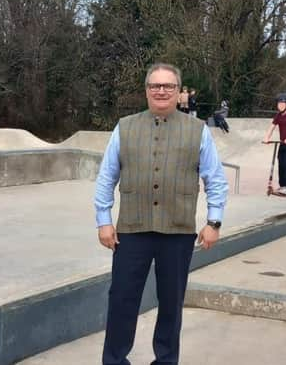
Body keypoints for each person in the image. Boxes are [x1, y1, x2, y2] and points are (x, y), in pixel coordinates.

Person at [95, 63, 229, 365]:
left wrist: (214, 221)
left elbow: (215, 179)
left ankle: (166, 361)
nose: (161, 90)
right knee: (121, 301)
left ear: (178, 92)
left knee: (171, 305)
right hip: (131, 230)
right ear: (146, 90)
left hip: (178, 232)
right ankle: (114, 360)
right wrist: (103, 220)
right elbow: (106, 176)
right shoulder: (125, 127)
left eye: (168, 86)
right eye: (155, 85)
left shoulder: (198, 131)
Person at [263, 93, 286, 196]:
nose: (280, 105)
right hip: (283, 143)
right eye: (279, 103)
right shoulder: (278, 115)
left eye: (282, 103)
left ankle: (285, 187)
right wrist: (266, 138)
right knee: (280, 163)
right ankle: (281, 186)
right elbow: (272, 127)